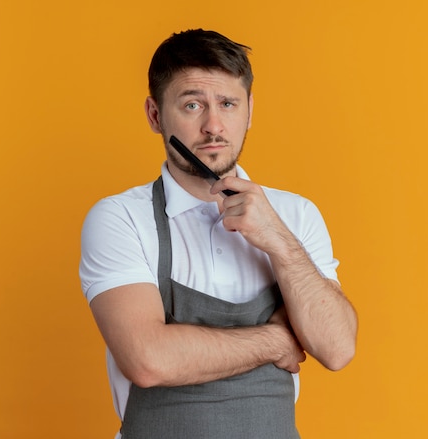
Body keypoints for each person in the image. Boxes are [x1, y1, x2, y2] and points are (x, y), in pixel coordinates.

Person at [80, 29, 358, 439]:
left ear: (249, 111)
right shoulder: (120, 218)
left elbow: (336, 348)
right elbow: (147, 359)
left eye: (228, 104)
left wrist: (277, 238)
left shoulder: (296, 215)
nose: (213, 126)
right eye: (192, 105)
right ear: (155, 115)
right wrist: (278, 340)